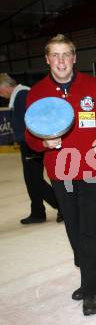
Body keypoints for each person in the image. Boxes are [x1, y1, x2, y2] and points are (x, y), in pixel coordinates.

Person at [25, 34, 96, 315]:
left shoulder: (93, 86)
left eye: (66, 54)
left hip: (92, 169)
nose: (61, 60)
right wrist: (42, 143)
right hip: (60, 171)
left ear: (75, 57)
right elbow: (30, 136)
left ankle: (91, 287)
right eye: (55, 55)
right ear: (47, 59)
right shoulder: (38, 93)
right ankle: (93, 274)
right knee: (74, 227)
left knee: (90, 226)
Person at [0, 73, 62, 224]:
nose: (0, 94)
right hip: (27, 143)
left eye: (0, 90)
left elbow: (34, 119)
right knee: (31, 180)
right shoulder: (19, 95)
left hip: (31, 143)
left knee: (34, 180)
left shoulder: (22, 95)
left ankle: (62, 206)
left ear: (6, 87)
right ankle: (37, 212)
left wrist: (31, 140)